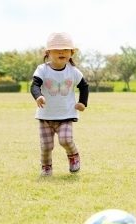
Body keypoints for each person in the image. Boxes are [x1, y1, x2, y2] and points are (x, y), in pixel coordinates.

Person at [31, 32, 89, 177]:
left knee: (66, 140)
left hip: (66, 115)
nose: (61, 52)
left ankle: (73, 156)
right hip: (45, 116)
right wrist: (38, 96)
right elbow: (34, 85)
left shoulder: (73, 71)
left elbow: (84, 86)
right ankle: (46, 167)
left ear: (71, 53)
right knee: (46, 146)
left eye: (65, 49)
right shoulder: (42, 69)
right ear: (48, 53)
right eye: (57, 50)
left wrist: (82, 102)